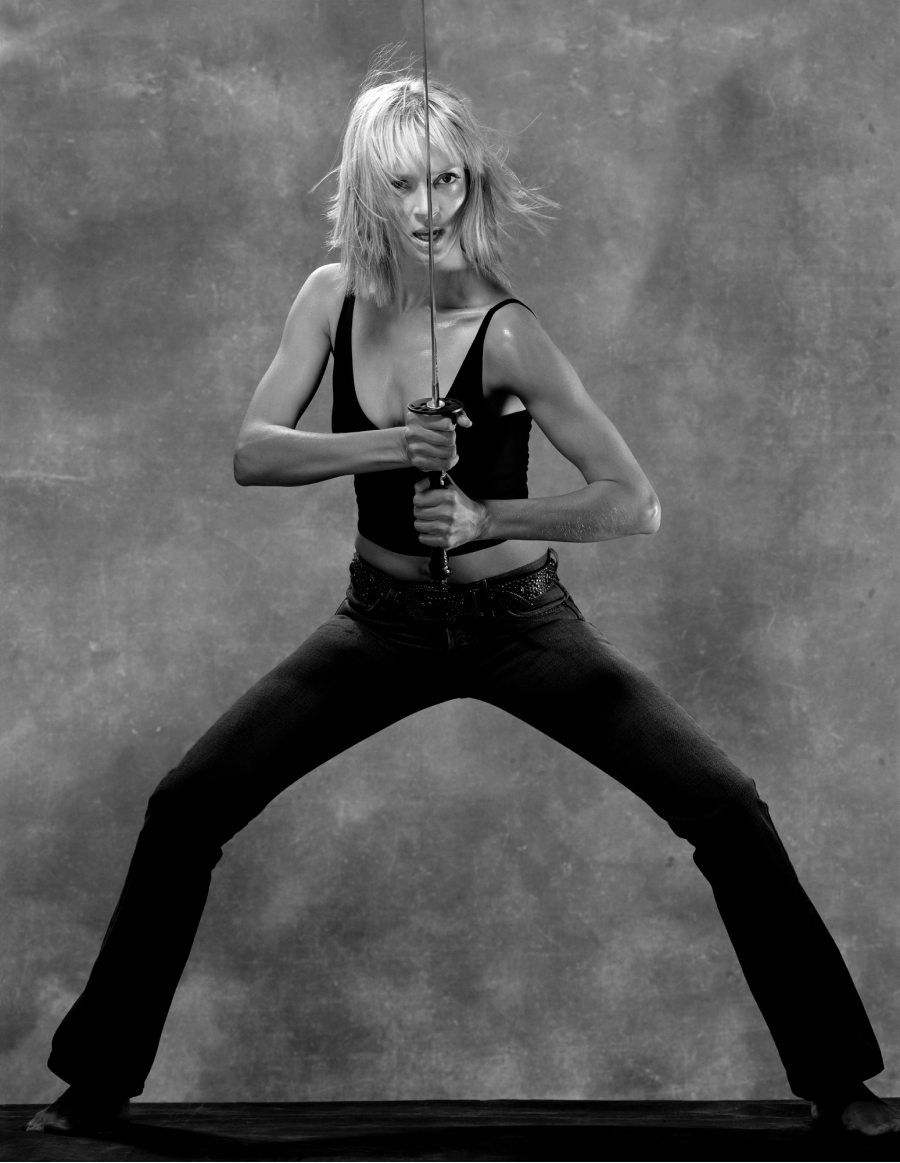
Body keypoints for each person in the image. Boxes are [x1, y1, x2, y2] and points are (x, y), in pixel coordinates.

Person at [28, 72, 897, 1138]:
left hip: (517, 625)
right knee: (186, 807)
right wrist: (392, 445)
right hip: (379, 625)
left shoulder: (506, 331)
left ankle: (839, 1080)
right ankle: (97, 1083)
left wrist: (490, 516)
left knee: (725, 804)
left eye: (446, 179)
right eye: (404, 184)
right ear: (367, 187)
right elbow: (255, 452)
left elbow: (635, 502)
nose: (430, 205)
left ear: (470, 182)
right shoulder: (330, 298)